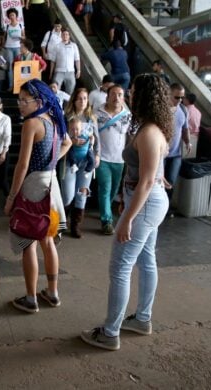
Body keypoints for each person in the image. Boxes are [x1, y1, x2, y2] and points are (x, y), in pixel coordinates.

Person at [81, 73, 173, 351]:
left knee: (120, 268)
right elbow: (152, 173)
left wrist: (127, 219)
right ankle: (142, 318)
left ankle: (110, 333)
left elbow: (146, 180)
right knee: (146, 261)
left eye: (133, 90)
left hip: (145, 202)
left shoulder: (148, 132)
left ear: (144, 95)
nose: (129, 94)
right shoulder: (152, 127)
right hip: (149, 198)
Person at [4, 79, 72, 314]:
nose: (20, 104)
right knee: (48, 239)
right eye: (19, 100)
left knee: (28, 243)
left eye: (25, 100)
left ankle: (31, 298)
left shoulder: (31, 124)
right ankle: (52, 293)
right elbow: (68, 143)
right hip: (51, 184)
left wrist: (12, 197)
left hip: (33, 185)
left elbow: (22, 165)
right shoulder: (53, 120)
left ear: (39, 101)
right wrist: (52, 163)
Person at [95, 85, 132, 235]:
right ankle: (106, 221)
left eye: (120, 94)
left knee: (114, 190)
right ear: (107, 96)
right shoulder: (97, 112)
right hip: (102, 157)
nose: (116, 97)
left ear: (123, 97)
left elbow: (131, 136)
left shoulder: (127, 115)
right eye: (113, 94)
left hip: (119, 160)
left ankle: (106, 210)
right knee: (105, 188)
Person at [61, 114, 97, 238]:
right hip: (70, 163)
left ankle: (75, 225)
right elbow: (60, 141)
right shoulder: (66, 117)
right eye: (79, 98)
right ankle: (62, 221)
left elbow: (95, 139)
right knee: (68, 195)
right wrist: (71, 142)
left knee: (82, 195)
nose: (82, 101)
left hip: (85, 163)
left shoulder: (90, 119)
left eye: (85, 98)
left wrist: (95, 149)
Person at [164, 83, 190, 216]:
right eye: (177, 97)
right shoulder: (162, 110)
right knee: (158, 182)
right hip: (161, 154)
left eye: (182, 97)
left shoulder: (184, 110)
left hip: (176, 154)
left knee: (171, 181)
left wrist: (188, 142)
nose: (179, 100)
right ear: (169, 94)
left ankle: (166, 208)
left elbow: (185, 128)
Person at [49, 29, 81, 95]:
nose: (65, 36)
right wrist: (51, 73)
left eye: (67, 34)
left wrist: (78, 70)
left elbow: (77, 59)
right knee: (54, 90)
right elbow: (53, 61)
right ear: (61, 36)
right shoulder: (57, 46)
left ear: (69, 36)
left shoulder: (74, 46)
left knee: (70, 92)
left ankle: (67, 105)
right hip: (59, 71)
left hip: (70, 71)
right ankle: (57, 104)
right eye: (63, 34)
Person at [3, 8, 25, 91]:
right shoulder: (7, 26)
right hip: (8, 47)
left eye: (13, 15)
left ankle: (19, 85)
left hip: (18, 47)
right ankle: (11, 85)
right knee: (10, 67)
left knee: (18, 66)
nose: (12, 16)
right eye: (10, 15)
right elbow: (4, 36)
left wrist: (20, 37)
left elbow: (24, 37)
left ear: (16, 16)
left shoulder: (20, 25)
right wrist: (3, 45)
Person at [184, 92, 201, 158]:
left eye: (184, 99)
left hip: (186, 137)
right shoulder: (198, 111)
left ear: (187, 100)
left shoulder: (185, 111)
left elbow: (184, 126)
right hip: (196, 136)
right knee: (190, 157)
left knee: (183, 157)